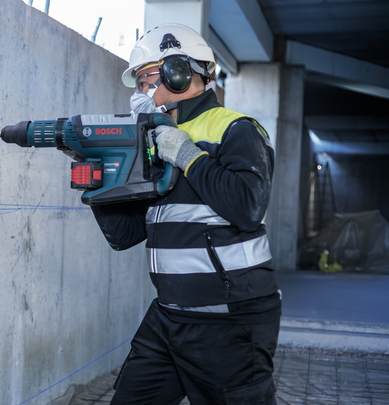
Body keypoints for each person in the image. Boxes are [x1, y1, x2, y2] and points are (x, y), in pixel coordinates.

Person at [90, 24, 280, 404]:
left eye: (148, 80)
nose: (142, 93)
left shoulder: (235, 129)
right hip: (170, 315)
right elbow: (124, 235)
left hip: (230, 318)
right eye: (139, 84)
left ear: (180, 73)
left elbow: (247, 205)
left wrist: (188, 155)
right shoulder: (153, 141)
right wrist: (100, 178)